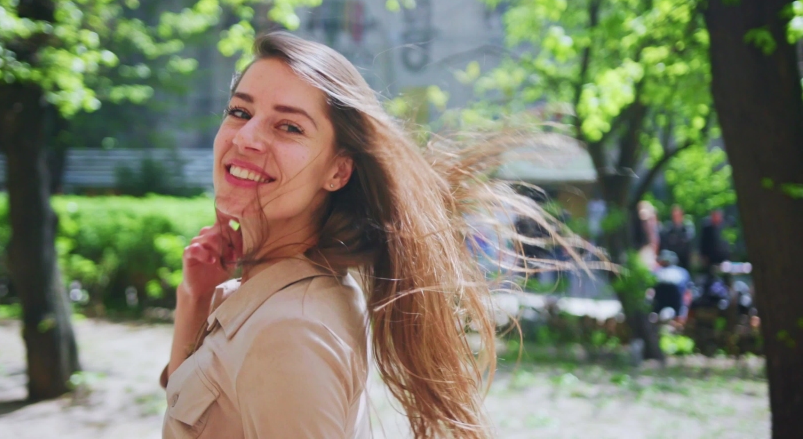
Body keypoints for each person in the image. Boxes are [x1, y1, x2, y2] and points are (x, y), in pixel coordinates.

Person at [159, 32, 565, 439]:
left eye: (288, 127)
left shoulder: (290, 331)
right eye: (240, 112)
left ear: (338, 171)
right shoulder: (272, 295)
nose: (245, 137)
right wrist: (194, 299)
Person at [652, 249, 692, 320]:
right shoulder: (683, 272)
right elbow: (687, 290)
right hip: (676, 300)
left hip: (661, 300)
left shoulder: (656, 271)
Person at [659, 205, 694, 272]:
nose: (676, 218)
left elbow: (688, 245)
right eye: (674, 215)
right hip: (670, 263)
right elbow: (664, 245)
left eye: (678, 215)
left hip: (684, 262)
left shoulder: (687, 229)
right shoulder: (668, 230)